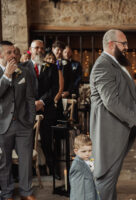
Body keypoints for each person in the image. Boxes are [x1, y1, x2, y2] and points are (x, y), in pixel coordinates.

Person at [89, 29, 136, 200]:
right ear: (111, 44)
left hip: (118, 129)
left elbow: (121, 95)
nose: (127, 47)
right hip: (109, 133)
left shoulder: (114, 63)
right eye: (124, 44)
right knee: (105, 181)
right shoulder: (103, 65)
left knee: (110, 181)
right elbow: (111, 102)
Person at [0, 41, 36, 200]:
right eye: (9, 52)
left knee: (26, 160)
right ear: (0, 55)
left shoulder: (25, 71)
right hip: (2, 125)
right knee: (4, 162)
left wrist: (30, 119)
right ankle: (7, 193)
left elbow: (30, 98)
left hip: (23, 124)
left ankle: (26, 192)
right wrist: (6, 75)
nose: (13, 55)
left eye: (14, 52)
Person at [21, 40, 59, 178]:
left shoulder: (52, 67)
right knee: (27, 142)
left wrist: (42, 101)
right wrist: (32, 103)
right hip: (27, 111)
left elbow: (54, 88)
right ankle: (28, 173)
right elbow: (20, 89)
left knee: (48, 142)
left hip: (46, 109)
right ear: (30, 49)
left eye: (42, 48)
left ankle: (54, 171)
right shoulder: (22, 67)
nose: (40, 50)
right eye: (36, 47)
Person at [70, 134, 98, 200]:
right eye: (84, 151)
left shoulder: (88, 159)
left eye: (89, 150)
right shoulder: (77, 165)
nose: (87, 153)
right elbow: (77, 188)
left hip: (91, 194)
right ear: (76, 151)